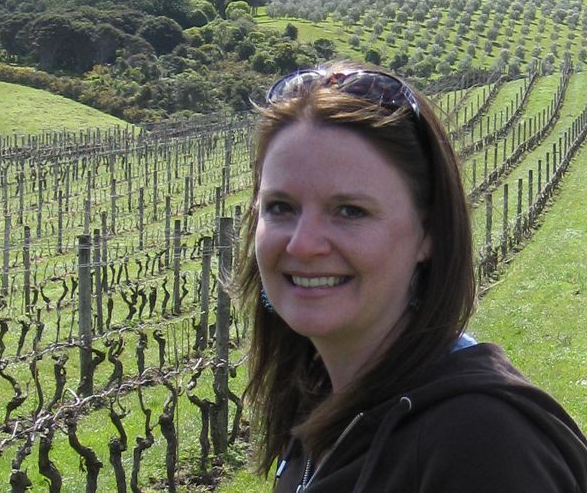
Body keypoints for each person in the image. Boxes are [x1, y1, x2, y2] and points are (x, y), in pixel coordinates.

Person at [233, 61, 587, 492]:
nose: (303, 245)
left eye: (350, 211)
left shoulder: (483, 442)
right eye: (280, 207)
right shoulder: (321, 405)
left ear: (429, 234)